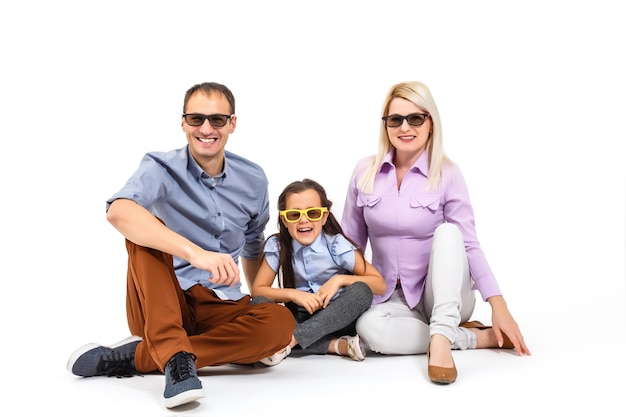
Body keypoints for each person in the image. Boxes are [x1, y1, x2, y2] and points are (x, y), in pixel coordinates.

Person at [66, 82, 296, 408]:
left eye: (217, 120)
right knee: (146, 229)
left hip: (219, 303)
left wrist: (255, 300)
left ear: (232, 123)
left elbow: (252, 242)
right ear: (183, 122)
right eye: (196, 119)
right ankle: (173, 354)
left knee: (280, 323)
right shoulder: (160, 167)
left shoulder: (253, 178)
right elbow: (118, 211)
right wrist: (195, 254)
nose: (206, 128)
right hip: (163, 302)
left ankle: (143, 356)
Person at [341, 81, 531, 385]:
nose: (405, 127)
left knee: (448, 234)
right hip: (392, 297)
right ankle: (471, 338)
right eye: (395, 119)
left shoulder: (448, 173)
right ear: (385, 125)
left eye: (415, 118)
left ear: (431, 122)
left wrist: (500, 306)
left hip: (445, 293)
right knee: (369, 330)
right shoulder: (364, 173)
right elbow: (348, 246)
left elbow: (469, 245)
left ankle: (442, 338)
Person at [251, 179, 386, 361]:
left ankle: (288, 342)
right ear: (284, 220)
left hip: (337, 317)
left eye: (312, 213)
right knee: (257, 304)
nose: (303, 220)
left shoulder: (336, 244)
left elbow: (379, 284)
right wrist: (294, 295)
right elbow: (258, 290)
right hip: (299, 317)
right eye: (294, 215)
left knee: (361, 291)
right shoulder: (277, 246)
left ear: (323, 217)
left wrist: (339, 280)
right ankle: (335, 345)